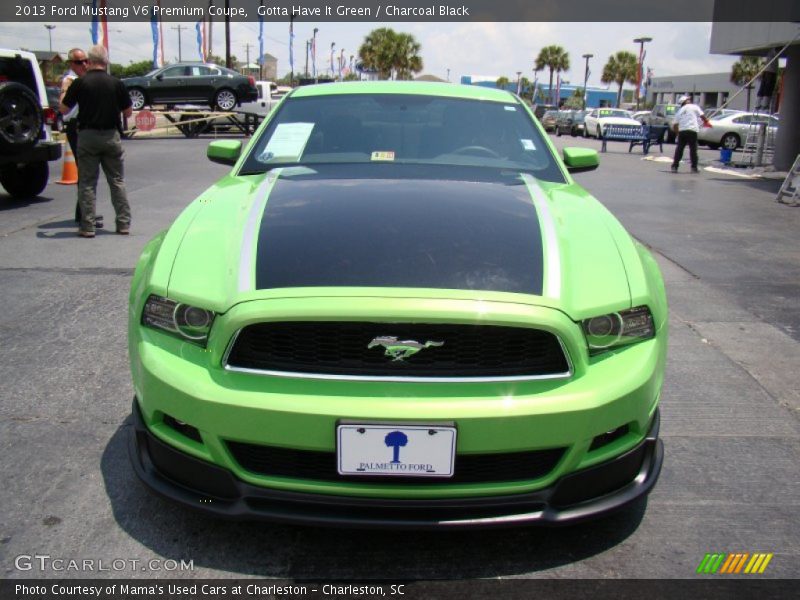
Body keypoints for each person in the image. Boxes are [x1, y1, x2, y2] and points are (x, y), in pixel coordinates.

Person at [60, 45, 132, 238]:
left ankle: (88, 226)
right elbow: (128, 112)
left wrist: (66, 91)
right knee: (117, 181)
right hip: (111, 136)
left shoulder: (80, 83)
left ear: (89, 62)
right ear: (106, 62)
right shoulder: (117, 83)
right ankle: (123, 223)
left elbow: (64, 109)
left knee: (87, 183)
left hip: (87, 136)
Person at [60, 48, 102, 228]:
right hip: (76, 127)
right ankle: (85, 215)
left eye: (86, 61)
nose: (84, 64)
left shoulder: (84, 80)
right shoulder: (70, 81)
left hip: (86, 127)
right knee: (86, 173)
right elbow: (63, 107)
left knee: (88, 172)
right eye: (79, 62)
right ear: (71, 64)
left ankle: (84, 212)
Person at [671, 95, 711, 174]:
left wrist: (677, 134)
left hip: (682, 131)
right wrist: (706, 121)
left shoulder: (679, 111)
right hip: (692, 130)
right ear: (685, 101)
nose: (689, 100)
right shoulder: (694, 107)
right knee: (693, 150)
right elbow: (702, 115)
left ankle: (675, 166)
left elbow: (675, 125)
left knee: (679, 149)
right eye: (688, 99)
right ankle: (694, 167)